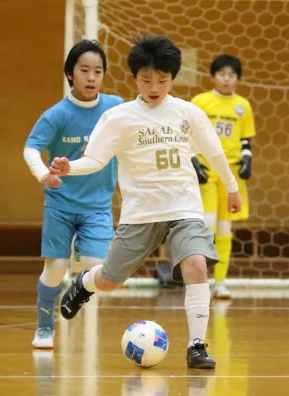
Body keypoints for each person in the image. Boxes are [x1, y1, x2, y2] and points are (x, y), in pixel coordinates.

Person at [49, 36, 242, 369]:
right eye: (146, 79)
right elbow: (95, 159)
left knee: (196, 266)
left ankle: (197, 346)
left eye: (162, 80)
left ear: (173, 77)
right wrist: (70, 167)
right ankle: (85, 282)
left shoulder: (188, 113)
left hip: (184, 209)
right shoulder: (119, 117)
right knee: (110, 281)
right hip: (141, 213)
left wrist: (232, 188)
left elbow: (214, 153)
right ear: (134, 77)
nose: (154, 88)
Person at [24, 40, 123, 348]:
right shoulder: (57, 114)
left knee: (97, 267)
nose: (91, 77)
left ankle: (79, 277)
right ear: (70, 74)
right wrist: (43, 174)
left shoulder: (115, 108)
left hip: (97, 206)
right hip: (60, 206)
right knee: (55, 269)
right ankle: (44, 327)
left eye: (98, 71)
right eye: (84, 71)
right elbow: (30, 148)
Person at [190, 54, 256, 299]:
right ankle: (200, 281)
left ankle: (220, 282)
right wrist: (193, 160)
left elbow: (245, 139)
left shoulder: (243, 105)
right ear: (212, 76)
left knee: (225, 228)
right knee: (206, 225)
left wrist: (247, 159)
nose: (227, 79)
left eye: (231, 75)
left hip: (231, 174)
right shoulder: (200, 102)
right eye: (222, 74)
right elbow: (187, 134)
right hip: (207, 170)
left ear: (238, 78)